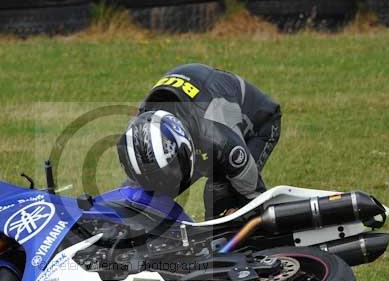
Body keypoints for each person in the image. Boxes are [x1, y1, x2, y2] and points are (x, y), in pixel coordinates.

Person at [117, 63, 282, 220]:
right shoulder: (142, 124)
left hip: (259, 124)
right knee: (139, 198)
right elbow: (132, 193)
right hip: (198, 117)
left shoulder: (218, 138)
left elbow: (254, 194)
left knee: (218, 192)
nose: (164, 185)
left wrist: (252, 216)